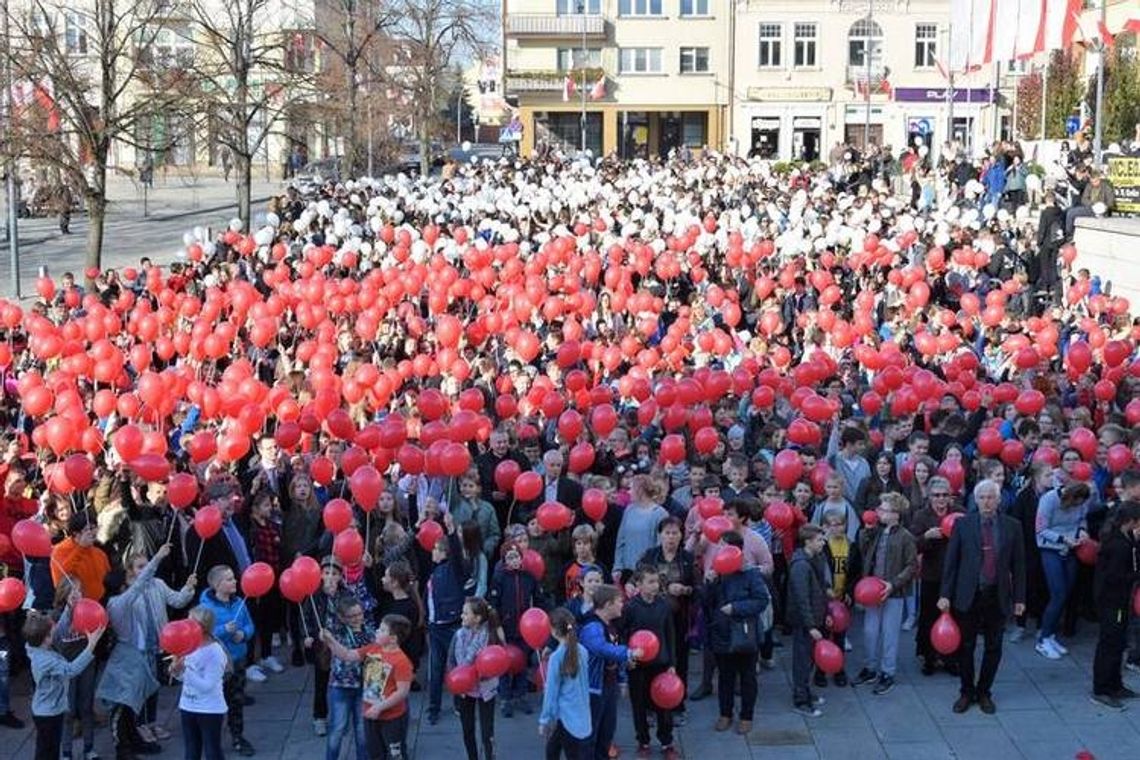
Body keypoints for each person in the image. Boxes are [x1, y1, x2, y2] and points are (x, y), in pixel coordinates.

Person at [939, 479, 1026, 714]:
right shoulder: (963, 525)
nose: (987, 502)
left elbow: (1018, 565)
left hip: (997, 595)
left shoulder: (1012, 526)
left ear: (999, 500)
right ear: (975, 500)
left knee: (993, 646)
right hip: (968, 594)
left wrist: (1019, 599)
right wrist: (945, 594)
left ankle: (984, 691)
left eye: (991, 497)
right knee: (965, 646)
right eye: (982, 497)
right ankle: (966, 691)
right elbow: (951, 563)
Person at [701, 530, 770, 736]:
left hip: (744, 633)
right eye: (719, 546)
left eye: (724, 546)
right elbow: (705, 604)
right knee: (725, 676)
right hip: (722, 632)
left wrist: (736, 608)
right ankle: (725, 713)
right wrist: (709, 583)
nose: (720, 550)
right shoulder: (718, 573)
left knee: (747, 676)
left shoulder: (750, 573)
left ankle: (746, 716)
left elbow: (761, 600)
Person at [321, 614, 415, 760]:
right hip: (370, 712)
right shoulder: (374, 648)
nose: (377, 631)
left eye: (382, 630)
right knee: (375, 752)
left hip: (391, 718)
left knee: (395, 754)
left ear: (393, 638)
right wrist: (331, 641)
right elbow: (347, 655)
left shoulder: (401, 661)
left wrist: (380, 707)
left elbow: (402, 692)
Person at [852, 492, 918, 696]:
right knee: (870, 632)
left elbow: (912, 565)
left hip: (893, 593)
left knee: (890, 634)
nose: (878, 511)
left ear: (896, 514)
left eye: (883, 509)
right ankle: (870, 667)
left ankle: (887, 672)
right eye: (879, 508)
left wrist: (894, 584)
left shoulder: (906, 536)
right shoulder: (876, 531)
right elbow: (862, 548)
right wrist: (867, 531)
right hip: (872, 591)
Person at [24, 609, 106, 760]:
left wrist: (70, 607)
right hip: (49, 714)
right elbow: (71, 670)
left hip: (44, 711)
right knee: (48, 752)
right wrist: (91, 644)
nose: (56, 632)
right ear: (46, 638)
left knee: (45, 748)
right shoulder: (47, 661)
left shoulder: (34, 648)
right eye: (53, 632)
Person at [198, 565, 256, 756]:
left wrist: (243, 633)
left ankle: (238, 736)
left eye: (233, 578)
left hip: (237, 660)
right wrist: (224, 630)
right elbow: (201, 634)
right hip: (217, 664)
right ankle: (211, 740)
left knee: (236, 700)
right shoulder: (206, 607)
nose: (235, 581)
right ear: (216, 584)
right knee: (214, 704)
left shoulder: (239, 602)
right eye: (229, 579)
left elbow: (249, 625)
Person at [620, 564, 677, 758]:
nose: (655, 586)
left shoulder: (664, 605)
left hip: (660, 663)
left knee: (664, 705)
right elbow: (623, 634)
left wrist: (671, 664)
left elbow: (670, 634)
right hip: (638, 665)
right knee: (639, 704)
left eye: (657, 582)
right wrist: (627, 658)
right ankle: (643, 740)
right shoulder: (630, 607)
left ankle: (666, 741)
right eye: (650, 582)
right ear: (639, 584)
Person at [1090, 501, 1140, 710]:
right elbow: (1117, 576)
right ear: (1130, 522)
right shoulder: (1118, 545)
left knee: (1118, 643)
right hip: (1113, 601)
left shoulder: (1124, 538)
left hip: (1119, 600)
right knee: (1110, 644)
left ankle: (1115, 684)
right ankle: (1102, 688)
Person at [580, 585, 639, 760]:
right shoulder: (592, 627)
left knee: (607, 732)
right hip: (594, 690)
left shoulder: (610, 626)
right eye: (619, 601)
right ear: (607, 605)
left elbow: (612, 653)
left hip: (608, 686)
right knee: (591, 735)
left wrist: (622, 678)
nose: (623, 604)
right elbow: (601, 648)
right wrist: (628, 653)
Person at [1035, 482, 1092, 660]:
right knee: (1057, 594)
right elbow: (1041, 529)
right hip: (1051, 548)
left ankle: (1050, 634)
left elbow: (1082, 519)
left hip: (1072, 549)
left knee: (1066, 594)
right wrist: (1062, 538)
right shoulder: (1049, 500)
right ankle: (1043, 639)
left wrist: (1082, 531)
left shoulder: (1082, 503)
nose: (1077, 507)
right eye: (1075, 503)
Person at [909, 477, 960, 675]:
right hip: (932, 574)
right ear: (929, 497)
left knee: (954, 616)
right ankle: (929, 657)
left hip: (954, 574)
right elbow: (912, 544)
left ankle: (951, 658)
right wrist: (926, 537)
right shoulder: (921, 516)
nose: (940, 499)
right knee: (929, 616)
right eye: (936, 495)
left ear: (950, 497)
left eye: (944, 495)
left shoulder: (960, 514)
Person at [425, 512, 468, 725]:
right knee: (436, 669)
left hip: (451, 626)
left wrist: (451, 532)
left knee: (454, 667)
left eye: (435, 548)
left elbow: (458, 554)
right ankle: (433, 708)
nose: (432, 551)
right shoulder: (434, 572)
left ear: (444, 552)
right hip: (435, 628)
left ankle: (460, 704)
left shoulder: (454, 568)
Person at [489, 539, 538, 717]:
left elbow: (538, 599)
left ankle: (521, 695)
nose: (514, 560)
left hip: (525, 629)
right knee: (505, 664)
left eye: (516, 556)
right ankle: (505, 698)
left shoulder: (529, 577)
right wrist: (497, 625)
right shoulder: (499, 578)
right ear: (504, 561)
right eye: (510, 557)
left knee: (522, 662)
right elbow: (492, 604)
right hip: (506, 629)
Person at [171, 606, 228, 760]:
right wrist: (176, 671)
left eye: (190, 622)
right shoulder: (187, 646)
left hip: (210, 709)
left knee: (212, 752)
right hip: (188, 706)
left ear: (202, 627)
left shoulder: (215, 652)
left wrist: (186, 671)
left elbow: (207, 685)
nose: (185, 626)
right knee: (191, 752)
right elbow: (183, 678)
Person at [447, 597, 500, 760]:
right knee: (467, 729)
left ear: (477, 618)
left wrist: (483, 674)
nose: (461, 616)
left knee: (487, 732)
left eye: (465, 613)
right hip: (465, 690)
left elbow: (497, 661)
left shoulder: (490, 636)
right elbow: (451, 661)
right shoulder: (459, 636)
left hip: (486, 690)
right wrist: (455, 680)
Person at [787, 524, 829, 717]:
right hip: (805, 621)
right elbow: (801, 598)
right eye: (820, 539)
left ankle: (805, 690)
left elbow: (820, 590)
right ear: (808, 542)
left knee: (810, 658)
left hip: (816, 616)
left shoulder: (816, 558)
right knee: (802, 659)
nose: (823, 542)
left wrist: (825, 614)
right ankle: (800, 699)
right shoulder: (801, 566)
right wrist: (811, 625)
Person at [539, 608, 592, 760]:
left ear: (554, 631)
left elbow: (551, 692)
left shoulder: (556, 657)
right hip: (581, 713)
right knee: (557, 750)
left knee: (556, 751)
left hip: (565, 715)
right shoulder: (582, 651)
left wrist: (545, 719)